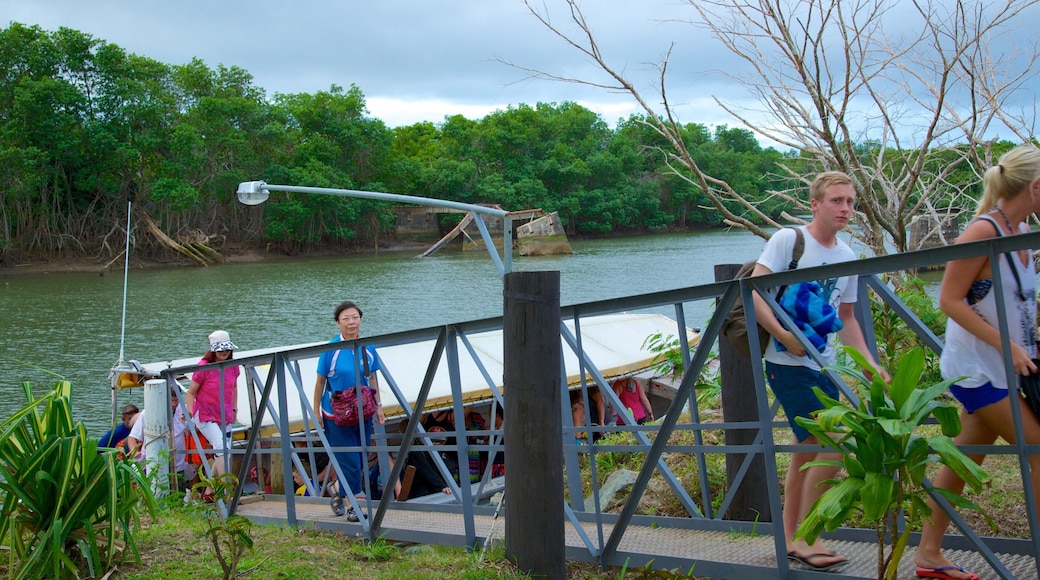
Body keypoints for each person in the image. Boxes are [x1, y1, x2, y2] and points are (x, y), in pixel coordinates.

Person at [749, 171, 888, 572]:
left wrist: (868, 364)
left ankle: (792, 539)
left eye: (850, 202)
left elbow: (847, 318)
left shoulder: (846, 257)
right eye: (836, 201)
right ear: (815, 204)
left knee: (806, 451)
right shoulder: (789, 241)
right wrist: (783, 335)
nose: (845, 209)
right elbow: (754, 293)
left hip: (824, 365)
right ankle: (809, 537)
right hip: (787, 363)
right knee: (835, 441)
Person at [913, 145, 1040, 580]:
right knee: (1039, 448)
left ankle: (928, 553)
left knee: (964, 458)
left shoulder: (1021, 232)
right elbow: (949, 300)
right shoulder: (983, 231)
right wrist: (1010, 347)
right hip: (976, 369)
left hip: (1008, 367)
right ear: (1035, 187)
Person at [313, 300, 385, 520]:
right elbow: (320, 382)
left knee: (361, 457)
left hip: (363, 412)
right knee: (350, 460)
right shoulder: (331, 349)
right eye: (346, 318)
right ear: (338, 323)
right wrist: (315, 411)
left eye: (355, 317)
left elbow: (372, 378)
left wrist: (379, 407)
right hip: (337, 415)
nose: (351, 322)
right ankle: (355, 506)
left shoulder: (367, 347)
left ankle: (338, 489)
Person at [185, 330, 240, 497]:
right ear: (213, 350)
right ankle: (226, 490)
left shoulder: (233, 366)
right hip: (205, 415)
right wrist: (189, 412)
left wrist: (234, 409)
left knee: (223, 451)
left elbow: (234, 387)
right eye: (221, 349)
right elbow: (191, 392)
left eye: (227, 349)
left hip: (225, 414)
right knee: (222, 447)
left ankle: (209, 490)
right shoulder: (203, 367)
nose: (225, 352)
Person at [126, 388, 190, 480]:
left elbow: (195, 426)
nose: (174, 404)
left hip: (177, 465)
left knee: (179, 486)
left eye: (176, 401)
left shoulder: (184, 410)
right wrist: (134, 452)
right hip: (152, 465)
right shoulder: (148, 412)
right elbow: (133, 437)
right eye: (171, 401)